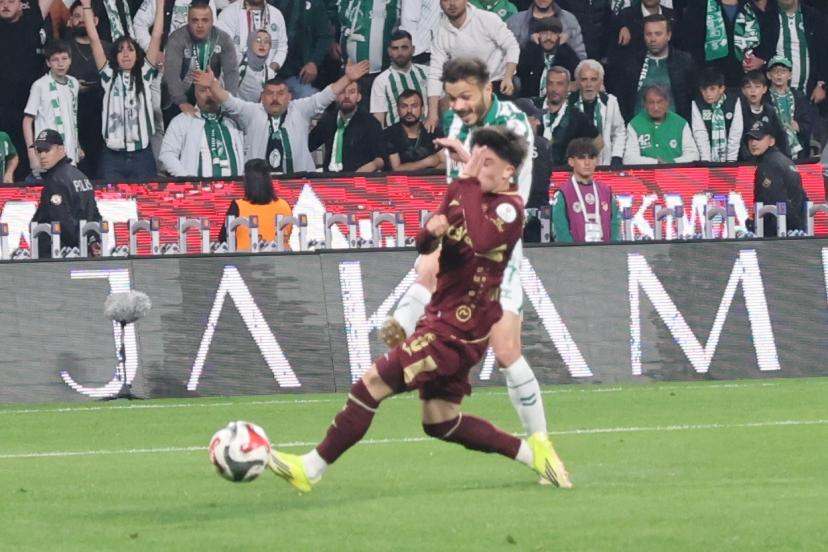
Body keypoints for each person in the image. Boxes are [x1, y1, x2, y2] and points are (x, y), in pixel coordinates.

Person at [268, 126, 573, 493]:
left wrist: (466, 181)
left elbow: (480, 240)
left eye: (487, 162)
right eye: (477, 159)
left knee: (370, 385)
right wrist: (432, 231)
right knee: (440, 421)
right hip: (441, 320)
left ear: (510, 171)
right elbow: (423, 244)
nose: (478, 167)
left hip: (457, 332)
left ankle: (310, 468)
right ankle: (532, 455)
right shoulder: (464, 192)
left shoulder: (510, 209)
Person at [383, 58, 553, 454]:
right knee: (429, 261)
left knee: (507, 351)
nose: (458, 106)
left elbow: (508, 195)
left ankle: (541, 445)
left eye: (465, 97)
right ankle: (402, 324)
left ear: (487, 89)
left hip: (499, 239)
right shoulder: (457, 126)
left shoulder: (513, 126)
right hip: (465, 231)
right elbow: (458, 192)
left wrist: (466, 163)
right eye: (452, 98)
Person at [195, 60, 370, 173]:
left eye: (280, 93)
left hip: (299, 183)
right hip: (259, 186)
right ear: (262, 97)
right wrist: (212, 86)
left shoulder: (300, 109)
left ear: (289, 97)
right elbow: (229, 101)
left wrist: (347, 79)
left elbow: (325, 96)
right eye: (269, 93)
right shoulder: (252, 112)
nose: (275, 98)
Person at [82, 0, 163, 180]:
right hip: (112, 157)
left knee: (145, 197)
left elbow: (156, 35)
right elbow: (93, 39)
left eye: (130, 49)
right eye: (121, 50)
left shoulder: (145, 73)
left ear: (137, 54)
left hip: (141, 155)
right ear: (115, 56)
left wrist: (160, 4)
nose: (126, 54)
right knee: (111, 198)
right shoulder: (108, 75)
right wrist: (86, 6)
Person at [425, 0, 521, 131]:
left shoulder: (486, 19)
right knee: (445, 104)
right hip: (467, 87)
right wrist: (432, 114)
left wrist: (508, 77)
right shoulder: (440, 30)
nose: (451, 4)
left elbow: (512, 46)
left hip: (497, 83)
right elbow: (435, 72)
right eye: (446, 0)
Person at [0, 0, 55, 181]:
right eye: (1, 2)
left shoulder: (31, 19)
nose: (5, 5)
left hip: (29, 109)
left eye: (10, 1)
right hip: (2, 106)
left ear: (21, 4)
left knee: (28, 166)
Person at [162, 0, 239, 126]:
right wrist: (182, 102)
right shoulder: (177, 38)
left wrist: (228, 101)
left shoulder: (224, 39)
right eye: (195, 20)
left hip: (211, 93)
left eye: (205, 20)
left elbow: (231, 73)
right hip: (181, 94)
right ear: (188, 21)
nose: (200, 25)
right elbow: (171, 74)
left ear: (212, 21)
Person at [610, 14, 697, 122]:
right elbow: (623, 100)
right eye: (648, 34)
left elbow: (692, 98)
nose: (653, 39)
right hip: (639, 126)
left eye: (658, 34)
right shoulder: (631, 63)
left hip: (674, 126)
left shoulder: (684, 61)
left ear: (668, 35)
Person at [29, 129, 102, 258]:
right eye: (39, 151)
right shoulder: (81, 176)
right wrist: (92, 240)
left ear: (61, 149)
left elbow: (62, 222)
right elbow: (94, 215)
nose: (42, 156)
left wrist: (80, 244)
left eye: (47, 150)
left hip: (59, 254)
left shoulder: (55, 181)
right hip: (81, 251)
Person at [159, 82, 245, 177]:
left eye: (213, 90)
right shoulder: (181, 121)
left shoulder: (235, 121)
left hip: (236, 185)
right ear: (195, 94)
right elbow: (167, 154)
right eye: (203, 91)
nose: (209, 95)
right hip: (196, 185)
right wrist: (186, 178)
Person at [24, 40, 82, 178]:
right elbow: (27, 121)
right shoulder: (40, 85)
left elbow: (71, 117)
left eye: (64, 58)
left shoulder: (73, 83)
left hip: (69, 153)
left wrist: (78, 146)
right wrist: (32, 154)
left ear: (70, 60)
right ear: (48, 63)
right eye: (55, 60)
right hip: (47, 153)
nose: (60, 64)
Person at [66, 0, 110, 178]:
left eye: (86, 17)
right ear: (70, 20)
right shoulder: (63, 49)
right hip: (72, 116)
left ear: (96, 21)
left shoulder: (108, 48)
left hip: (102, 116)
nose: (82, 20)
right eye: (77, 16)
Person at [308, 81, 386, 173]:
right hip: (329, 177)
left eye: (352, 92)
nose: (346, 96)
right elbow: (309, 145)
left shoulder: (370, 123)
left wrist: (373, 165)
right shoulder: (327, 121)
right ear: (336, 97)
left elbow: (381, 158)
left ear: (359, 97)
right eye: (342, 92)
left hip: (357, 176)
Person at [553, 137, 620, 242]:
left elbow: (615, 226)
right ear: (571, 161)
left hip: (606, 251)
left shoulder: (606, 192)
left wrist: (611, 249)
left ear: (597, 161)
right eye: (581, 158)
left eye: (591, 157)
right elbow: (561, 232)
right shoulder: (563, 193)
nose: (587, 163)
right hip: (575, 252)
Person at [747, 119, 806, 235]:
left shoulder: (768, 165)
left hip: (779, 233)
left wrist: (753, 225)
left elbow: (777, 201)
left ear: (772, 141)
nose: (753, 143)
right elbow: (802, 198)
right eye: (750, 139)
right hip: (795, 230)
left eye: (759, 138)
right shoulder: (786, 161)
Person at [217, 159, 293, 249]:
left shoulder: (237, 206)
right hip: (282, 257)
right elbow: (289, 234)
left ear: (246, 181)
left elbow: (223, 240)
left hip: (245, 257)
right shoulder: (284, 205)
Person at [763, 0, 827, 104]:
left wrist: (821, 84)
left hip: (810, 93)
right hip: (776, 94)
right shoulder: (768, 17)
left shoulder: (814, 16)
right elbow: (764, 52)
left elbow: (823, 52)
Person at [268, 0, 332, 98]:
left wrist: (313, 62)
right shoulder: (267, 3)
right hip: (267, 72)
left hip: (298, 74)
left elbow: (324, 36)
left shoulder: (315, 3)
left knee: (311, 99)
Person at [623, 84, 700, 164]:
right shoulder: (634, 124)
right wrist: (656, 163)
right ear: (645, 105)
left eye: (659, 102)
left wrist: (671, 163)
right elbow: (629, 159)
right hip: (646, 171)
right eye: (651, 103)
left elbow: (693, 155)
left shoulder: (680, 123)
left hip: (676, 171)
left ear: (667, 103)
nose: (656, 107)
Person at [570, 59, 626, 166]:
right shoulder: (568, 104)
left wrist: (616, 157)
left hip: (604, 164)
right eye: (584, 79)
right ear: (577, 82)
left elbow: (619, 132)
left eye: (593, 79)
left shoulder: (610, 102)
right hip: (575, 166)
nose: (588, 84)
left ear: (600, 82)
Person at [540, 66, 600, 166]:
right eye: (550, 83)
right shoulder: (532, 108)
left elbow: (598, 142)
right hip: (534, 171)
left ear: (568, 87)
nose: (554, 89)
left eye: (560, 84)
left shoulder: (577, 116)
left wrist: (579, 161)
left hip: (562, 172)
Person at [370, 30, 429, 127]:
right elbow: (378, 118)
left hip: (426, 133)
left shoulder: (427, 73)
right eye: (395, 48)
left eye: (404, 47)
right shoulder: (381, 81)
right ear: (389, 51)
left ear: (413, 49)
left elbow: (441, 103)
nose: (400, 52)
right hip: (395, 135)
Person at [515, 16, 580, 103]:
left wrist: (563, 46)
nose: (548, 37)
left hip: (561, 104)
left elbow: (580, 75)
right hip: (530, 104)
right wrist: (530, 42)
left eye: (553, 33)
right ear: (537, 35)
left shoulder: (567, 55)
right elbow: (518, 70)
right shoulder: (529, 53)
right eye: (544, 33)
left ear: (560, 36)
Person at [215, 0, 287, 76]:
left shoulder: (276, 14)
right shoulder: (228, 13)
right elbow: (222, 49)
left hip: (268, 78)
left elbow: (282, 47)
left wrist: (270, 70)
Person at [384, 89, 446, 171]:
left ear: (422, 109)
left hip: (430, 178)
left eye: (414, 106)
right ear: (398, 110)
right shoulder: (389, 134)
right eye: (404, 106)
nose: (409, 111)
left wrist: (431, 173)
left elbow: (445, 163)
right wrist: (427, 162)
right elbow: (397, 169)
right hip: (401, 179)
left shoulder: (433, 131)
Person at [766, 55, 814, 159]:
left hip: (798, 149)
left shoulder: (799, 96)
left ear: (790, 75)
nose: (779, 74)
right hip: (772, 148)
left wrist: (799, 127)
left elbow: (809, 122)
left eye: (783, 71)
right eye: (775, 71)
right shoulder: (764, 97)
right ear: (769, 75)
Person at [690, 67, 743, 162]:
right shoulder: (697, 103)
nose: (708, 94)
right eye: (704, 89)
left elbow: (735, 133)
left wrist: (731, 162)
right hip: (707, 156)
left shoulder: (734, 101)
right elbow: (700, 134)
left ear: (722, 88)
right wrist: (706, 162)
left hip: (732, 155)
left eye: (712, 89)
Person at [506, 0, 586, 59]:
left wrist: (566, 44)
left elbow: (581, 59)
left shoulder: (569, 20)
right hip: (524, 75)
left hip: (561, 74)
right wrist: (528, 41)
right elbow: (507, 57)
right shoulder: (514, 22)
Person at [739, 69, 788, 160]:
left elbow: (780, 135)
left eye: (757, 87)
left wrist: (785, 158)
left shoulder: (770, 110)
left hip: (768, 158)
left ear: (764, 89)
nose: (753, 91)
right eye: (748, 87)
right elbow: (738, 139)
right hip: (745, 160)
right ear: (743, 90)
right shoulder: (739, 111)